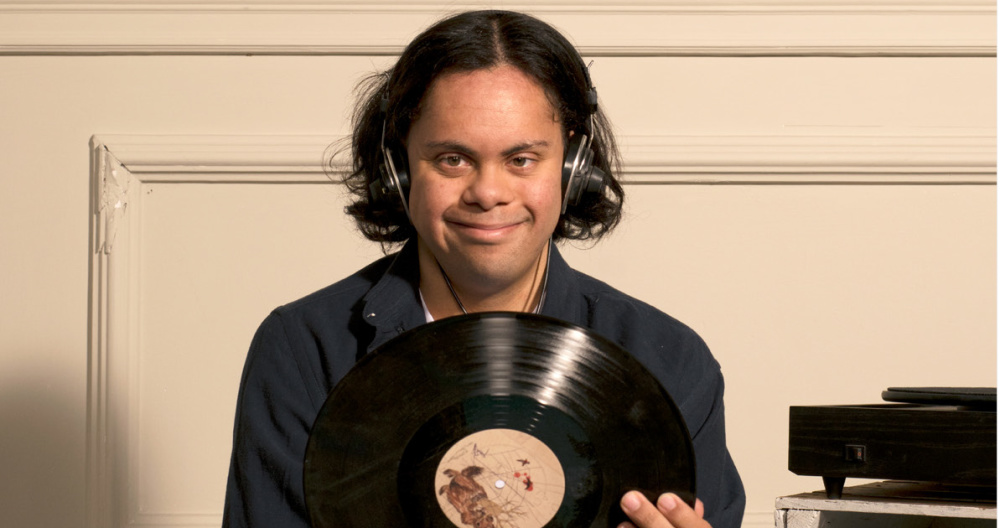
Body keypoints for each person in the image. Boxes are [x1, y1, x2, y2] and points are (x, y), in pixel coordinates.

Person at [223, 9, 744, 528]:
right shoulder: (301, 349)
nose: (487, 193)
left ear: (573, 170)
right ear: (399, 171)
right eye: (452, 158)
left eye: (522, 159)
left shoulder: (672, 361)